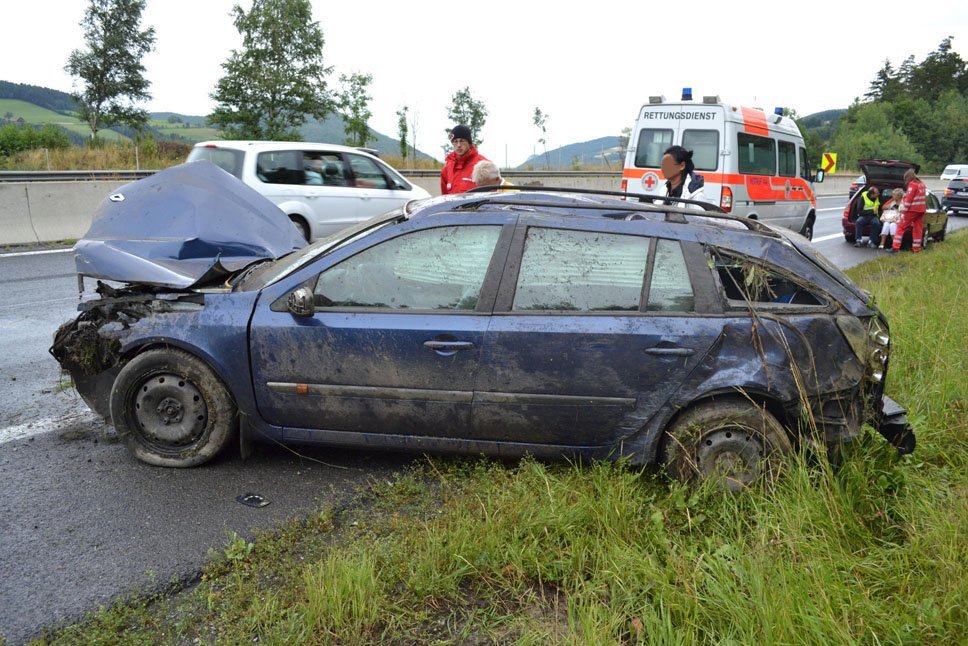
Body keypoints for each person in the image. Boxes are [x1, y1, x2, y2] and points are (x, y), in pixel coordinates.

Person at [440, 125, 487, 195]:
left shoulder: (484, 165)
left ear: (469, 143)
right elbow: (444, 197)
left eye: (462, 141)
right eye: (455, 141)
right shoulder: (447, 168)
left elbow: (492, 194)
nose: (458, 145)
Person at [890, 169, 927, 253]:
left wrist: (904, 211)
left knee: (900, 227)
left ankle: (895, 247)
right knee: (917, 229)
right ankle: (916, 249)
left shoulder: (912, 185)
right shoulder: (922, 184)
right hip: (921, 210)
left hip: (912, 210)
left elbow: (909, 200)